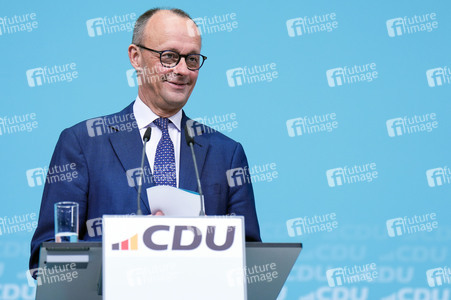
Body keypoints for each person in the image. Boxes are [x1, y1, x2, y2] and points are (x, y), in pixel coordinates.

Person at [29, 8, 261, 271]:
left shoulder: (226, 154)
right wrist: (132, 247)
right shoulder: (83, 143)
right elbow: (46, 258)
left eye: (193, 59)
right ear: (136, 57)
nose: (182, 70)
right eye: (170, 56)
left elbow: (251, 262)